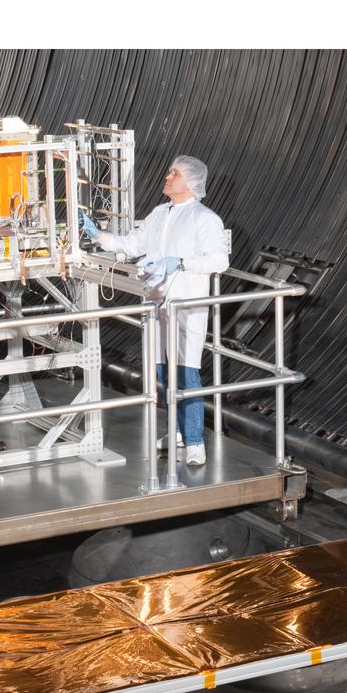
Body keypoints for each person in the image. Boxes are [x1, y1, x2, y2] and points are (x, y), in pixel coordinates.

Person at [81, 155, 229, 465]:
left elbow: (219, 260)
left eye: (174, 173)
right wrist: (99, 237)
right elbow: (133, 245)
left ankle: (194, 443)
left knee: (187, 373)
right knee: (163, 371)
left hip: (187, 306)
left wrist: (182, 263)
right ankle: (177, 432)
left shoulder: (205, 219)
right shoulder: (160, 213)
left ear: (190, 182)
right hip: (158, 302)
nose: (167, 177)